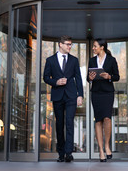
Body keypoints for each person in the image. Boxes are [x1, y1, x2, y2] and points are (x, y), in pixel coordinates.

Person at [43, 35, 84, 163]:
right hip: (57, 95)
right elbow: (46, 77)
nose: (69, 46)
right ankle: (60, 153)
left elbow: (78, 78)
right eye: (67, 44)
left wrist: (80, 95)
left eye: (70, 44)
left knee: (70, 123)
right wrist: (56, 82)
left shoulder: (74, 60)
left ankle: (68, 153)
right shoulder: (50, 60)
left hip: (71, 95)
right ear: (60, 44)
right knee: (59, 125)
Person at [87, 38, 119, 162]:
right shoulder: (91, 60)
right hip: (96, 93)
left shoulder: (112, 60)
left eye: (95, 46)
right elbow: (88, 79)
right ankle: (101, 150)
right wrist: (90, 78)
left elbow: (117, 76)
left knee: (107, 118)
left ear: (102, 47)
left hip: (108, 93)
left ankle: (107, 145)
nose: (93, 48)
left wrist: (109, 76)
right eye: (93, 46)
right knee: (98, 120)